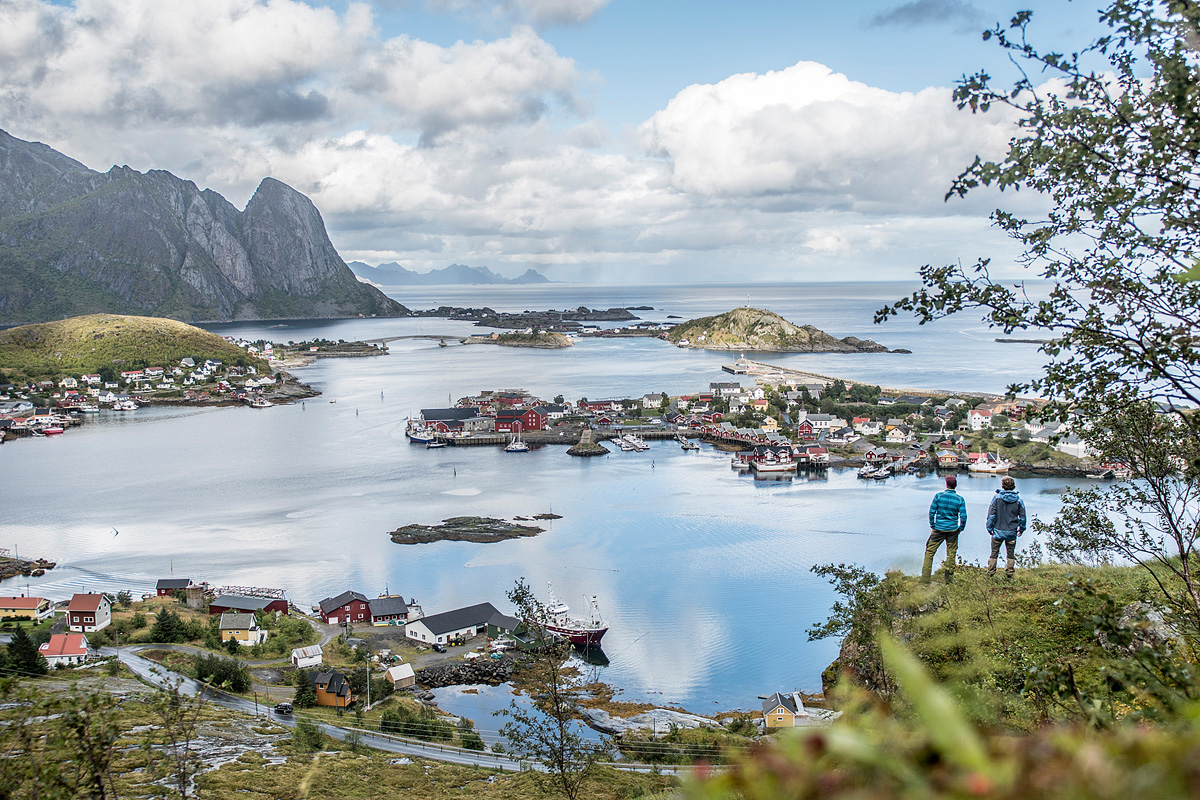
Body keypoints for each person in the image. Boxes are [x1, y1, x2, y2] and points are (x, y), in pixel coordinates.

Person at [923, 475, 967, 584]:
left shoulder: (938, 496)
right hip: (953, 530)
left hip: (939, 529)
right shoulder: (960, 499)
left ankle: (925, 579)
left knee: (929, 552)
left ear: (946, 485)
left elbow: (931, 512)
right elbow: (964, 516)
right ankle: (949, 580)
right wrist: (960, 528)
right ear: (955, 486)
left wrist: (932, 525)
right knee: (951, 554)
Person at [986, 476, 1027, 579]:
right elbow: (1022, 517)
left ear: (1003, 485)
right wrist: (1021, 529)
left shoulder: (997, 498)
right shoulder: (1019, 500)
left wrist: (989, 527)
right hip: (1011, 532)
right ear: (1013, 486)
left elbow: (991, 515)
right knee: (1010, 553)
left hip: (998, 531)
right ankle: (1009, 573)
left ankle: (991, 572)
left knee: (994, 553)